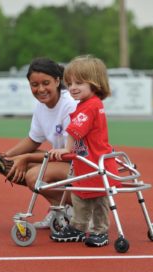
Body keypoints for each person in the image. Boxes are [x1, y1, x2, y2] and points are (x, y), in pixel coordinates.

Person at [0, 57, 77, 228]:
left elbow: (69, 153)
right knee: (9, 164)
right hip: (64, 160)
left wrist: (27, 158)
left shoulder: (69, 105)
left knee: (33, 176)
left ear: (57, 81)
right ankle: (60, 209)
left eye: (46, 83)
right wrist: (7, 155)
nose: (40, 89)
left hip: (81, 163)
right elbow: (33, 139)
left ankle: (82, 210)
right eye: (34, 85)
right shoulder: (41, 106)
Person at [49, 55, 121, 247]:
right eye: (69, 83)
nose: (72, 87)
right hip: (85, 161)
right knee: (80, 195)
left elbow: (74, 129)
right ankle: (78, 227)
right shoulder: (86, 104)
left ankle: (100, 230)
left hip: (96, 162)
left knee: (98, 199)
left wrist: (66, 149)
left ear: (95, 83)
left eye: (79, 82)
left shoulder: (91, 106)